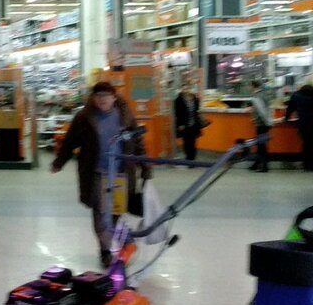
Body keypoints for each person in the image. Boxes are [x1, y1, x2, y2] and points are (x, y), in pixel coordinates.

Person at [51, 81, 150, 267]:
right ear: (93, 98)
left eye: (106, 95)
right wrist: (59, 162)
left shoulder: (125, 115)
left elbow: (138, 143)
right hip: (97, 173)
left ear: (114, 97)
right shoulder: (84, 117)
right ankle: (105, 251)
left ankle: (126, 243)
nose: (102, 99)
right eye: (98, 95)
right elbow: (70, 142)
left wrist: (146, 168)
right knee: (100, 216)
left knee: (116, 214)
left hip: (121, 173)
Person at [285, 83, 313, 172]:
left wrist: (286, 118)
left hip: (304, 124)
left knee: (306, 143)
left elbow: (290, 108)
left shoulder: (296, 96)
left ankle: (306, 165)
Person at [173, 87, 203, 161]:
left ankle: (192, 158)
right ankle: (188, 157)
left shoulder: (195, 99)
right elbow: (177, 113)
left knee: (193, 142)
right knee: (186, 142)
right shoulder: (178, 100)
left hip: (194, 124)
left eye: (188, 88)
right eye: (184, 88)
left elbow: (197, 111)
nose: (186, 90)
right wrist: (180, 124)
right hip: (184, 125)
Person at [249, 80, 272, 172]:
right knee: (260, 144)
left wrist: (255, 119)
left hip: (262, 123)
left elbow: (261, 111)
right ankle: (257, 163)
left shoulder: (257, 96)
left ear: (253, 86)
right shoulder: (263, 94)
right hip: (265, 123)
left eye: (249, 86)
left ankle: (264, 166)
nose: (249, 88)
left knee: (261, 145)